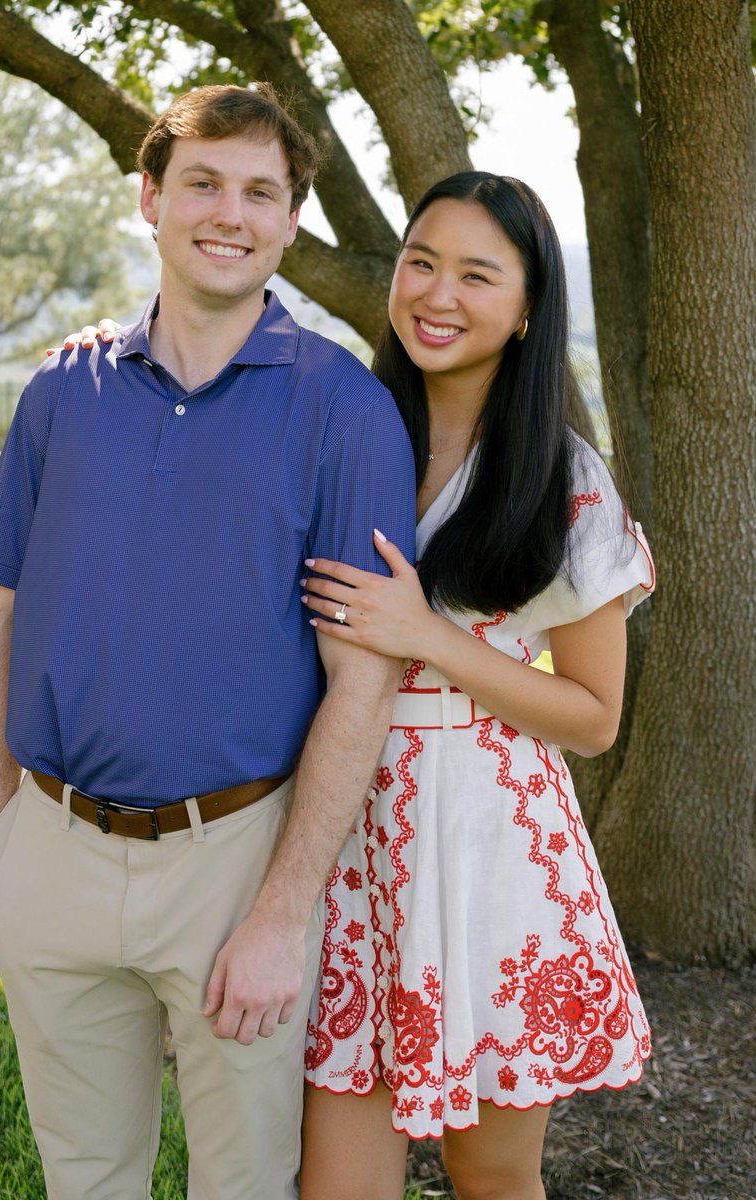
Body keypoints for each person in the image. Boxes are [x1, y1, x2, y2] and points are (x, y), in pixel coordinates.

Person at [0, 84, 416, 1200]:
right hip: (52, 848)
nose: (231, 213)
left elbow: (366, 679)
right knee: (84, 1177)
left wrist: (281, 909)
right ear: (151, 199)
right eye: (204, 182)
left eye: (261, 192)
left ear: (291, 224)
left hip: (236, 860)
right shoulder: (60, 393)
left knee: (244, 1182)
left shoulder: (344, 409)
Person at [295, 173, 655, 1200]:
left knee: (491, 1176)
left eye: (477, 275)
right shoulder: (345, 436)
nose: (438, 293)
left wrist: (430, 639)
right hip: (344, 836)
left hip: (493, 849)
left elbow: (594, 718)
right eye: (421, 262)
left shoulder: (564, 477)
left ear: (528, 307)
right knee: (335, 1181)